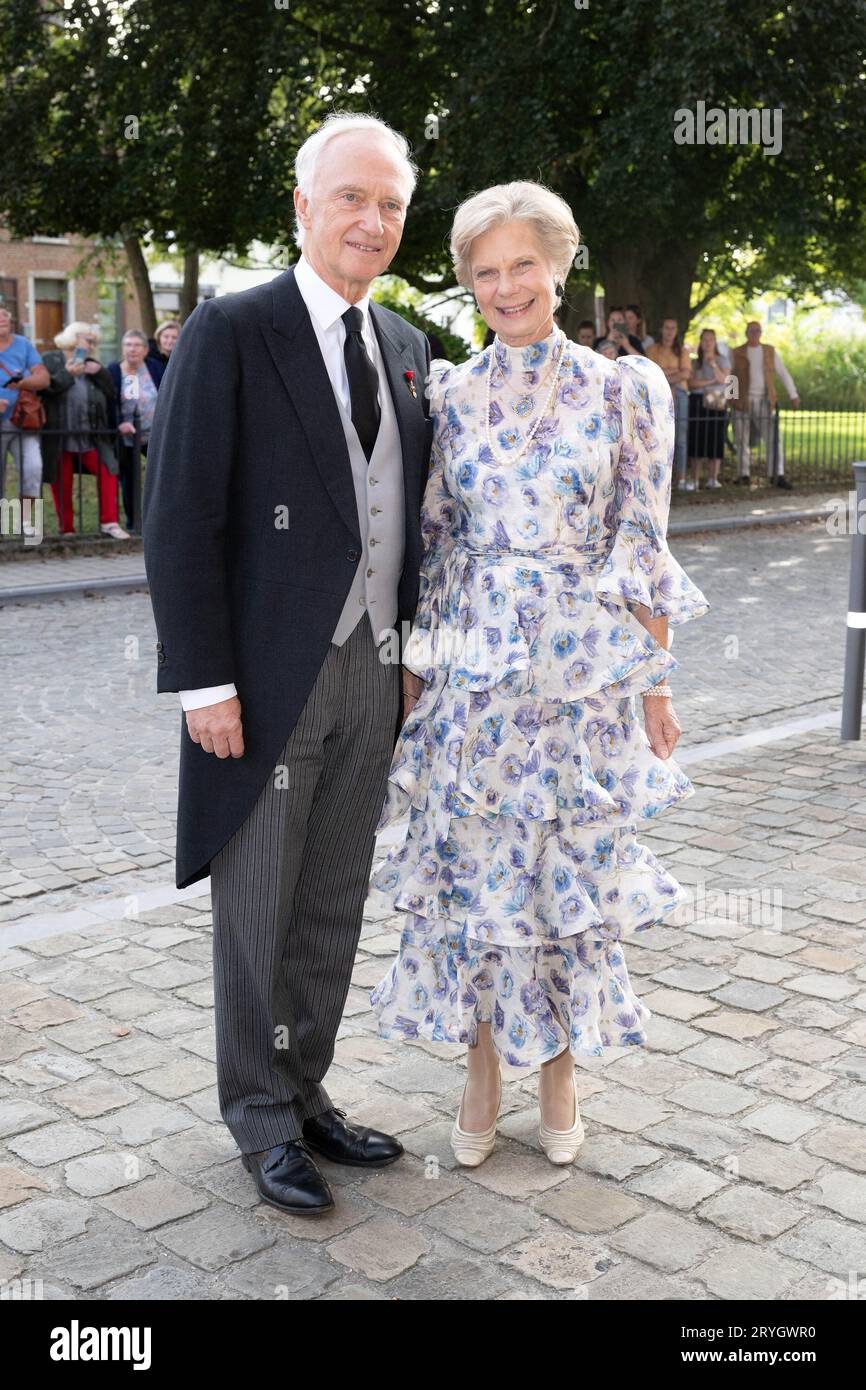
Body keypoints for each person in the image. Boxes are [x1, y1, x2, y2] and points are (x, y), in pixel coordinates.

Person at [368, 181, 710, 1168]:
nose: (504, 286)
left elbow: (640, 546)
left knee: (565, 879)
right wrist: (415, 684)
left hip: (577, 680)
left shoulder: (622, 390)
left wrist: (655, 688)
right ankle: (480, 1068)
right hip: (474, 679)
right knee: (477, 879)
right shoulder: (448, 391)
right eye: (484, 271)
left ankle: (558, 1072)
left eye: (522, 264)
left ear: (559, 268)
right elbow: (433, 547)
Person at [142, 112, 433, 1217]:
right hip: (264, 677)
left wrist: (412, 655)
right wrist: (203, 681)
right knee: (257, 905)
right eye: (351, 197)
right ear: (303, 207)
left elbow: (417, 517)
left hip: (376, 668)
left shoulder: (405, 345)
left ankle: (305, 1088)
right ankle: (258, 1118)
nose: (371, 219)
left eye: (391, 205)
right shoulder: (233, 328)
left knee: (331, 898)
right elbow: (178, 513)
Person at [41, 322, 127, 538]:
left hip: (91, 435)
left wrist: (100, 373)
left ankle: (110, 522)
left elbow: (111, 394)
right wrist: (67, 374)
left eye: (93, 342)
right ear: (74, 338)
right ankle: (67, 528)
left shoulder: (92, 365)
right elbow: (45, 389)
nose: (91, 345)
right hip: (58, 435)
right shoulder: (51, 359)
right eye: (88, 340)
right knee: (62, 482)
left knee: (109, 471)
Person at [731, 320, 799, 489]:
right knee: (741, 439)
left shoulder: (769, 351)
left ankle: (777, 474)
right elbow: (730, 377)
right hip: (742, 401)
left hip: (764, 400)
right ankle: (743, 474)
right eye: (751, 330)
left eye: (757, 331)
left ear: (761, 333)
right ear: (746, 333)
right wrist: (731, 399)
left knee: (773, 438)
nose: (754, 333)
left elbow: (783, 373)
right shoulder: (737, 352)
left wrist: (793, 394)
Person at [108, 330, 165, 529]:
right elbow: (110, 402)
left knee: (162, 475)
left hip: (155, 434)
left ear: (145, 349)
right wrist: (118, 423)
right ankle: (135, 523)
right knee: (129, 479)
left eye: (136, 345)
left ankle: (161, 520)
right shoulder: (114, 371)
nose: (132, 349)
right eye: (128, 345)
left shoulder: (155, 368)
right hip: (127, 435)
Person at [0, 306, 48, 533]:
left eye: (5, 315)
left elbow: (43, 378)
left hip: (23, 420)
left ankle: (28, 523)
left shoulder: (23, 344)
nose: (2, 319)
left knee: (33, 467)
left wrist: (21, 384)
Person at [649, 318, 692, 490]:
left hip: (680, 395)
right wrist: (674, 372)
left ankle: (680, 479)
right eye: (666, 327)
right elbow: (652, 371)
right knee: (659, 437)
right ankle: (662, 480)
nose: (669, 331)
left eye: (673, 328)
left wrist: (665, 375)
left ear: (676, 331)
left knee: (680, 438)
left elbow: (686, 374)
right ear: (661, 329)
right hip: (658, 393)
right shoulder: (652, 349)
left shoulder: (683, 351)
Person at [686, 328, 729, 490]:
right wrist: (711, 381)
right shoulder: (694, 362)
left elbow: (724, 379)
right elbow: (691, 383)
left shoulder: (723, 360)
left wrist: (712, 365)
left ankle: (713, 478)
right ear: (701, 342)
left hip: (716, 400)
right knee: (697, 439)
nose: (707, 343)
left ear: (715, 342)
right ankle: (695, 479)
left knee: (716, 438)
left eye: (710, 339)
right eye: (704, 339)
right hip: (697, 401)